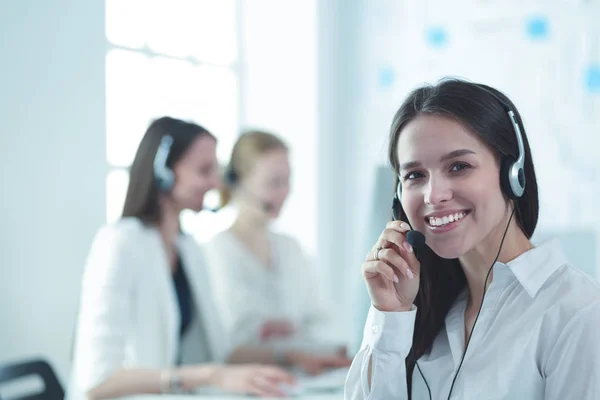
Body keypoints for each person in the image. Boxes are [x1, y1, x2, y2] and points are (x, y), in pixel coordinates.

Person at [344, 78, 600, 399]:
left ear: (512, 174)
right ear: (398, 196)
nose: (433, 195)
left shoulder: (578, 313)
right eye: (414, 175)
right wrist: (391, 315)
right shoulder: (430, 309)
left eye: (459, 166)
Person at [68, 117, 295, 400]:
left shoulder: (187, 249)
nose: (216, 182)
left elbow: (220, 350)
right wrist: (212, 376)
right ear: (164, 172)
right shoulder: (119, 244)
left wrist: (293, 357)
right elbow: (96, 382)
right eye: (204, 170)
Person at [203, 130, 352, 376]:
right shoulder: (217, 253)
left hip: (303, 380)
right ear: (238, 182)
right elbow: (224, 345)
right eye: (274, 183)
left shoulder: (290, 248)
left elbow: (318, 317)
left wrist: (331, 348)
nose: (284, 192)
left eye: (287, 181)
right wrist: (290, 354)